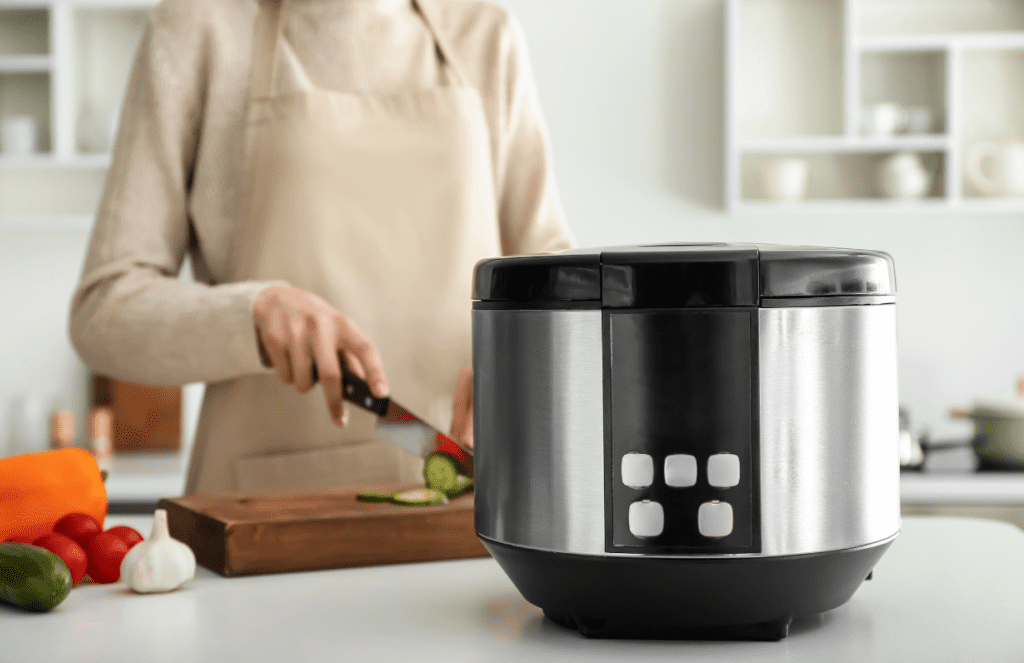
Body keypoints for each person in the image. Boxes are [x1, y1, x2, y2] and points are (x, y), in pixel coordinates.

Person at [69, 0, 572, 495]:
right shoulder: (200, 26)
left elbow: (558, 286)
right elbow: (104, 310)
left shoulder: (485, 34)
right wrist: (253, 312)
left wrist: (520, 359)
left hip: (463, 498)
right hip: (264, 512)